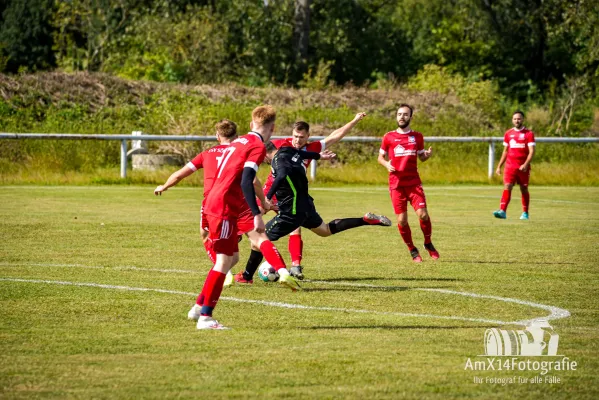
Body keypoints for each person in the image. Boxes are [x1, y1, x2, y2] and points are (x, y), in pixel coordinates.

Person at [186, 105, 299, 330]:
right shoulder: (256, 146)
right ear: (273, 128)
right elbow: (248, 179)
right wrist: (257, 213)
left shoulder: (239, 141)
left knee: (232, 258)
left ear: (250, 125)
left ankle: (199, 307)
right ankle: (206, 317)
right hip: (225, 204)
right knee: (224, 261)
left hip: (216, 200)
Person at [235, 141, 392, 282]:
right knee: (325, 230)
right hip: (305, 205)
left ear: (264, 154)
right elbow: (301, 153)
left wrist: (268, 197)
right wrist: (318, 156)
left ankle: (251, 276)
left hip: (292, 210)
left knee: (259, 240)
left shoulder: (278, 160)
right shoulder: (287, 151)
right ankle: (364, 220)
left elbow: (282, 174)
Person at [378, 104, 439, 263]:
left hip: (413, 183)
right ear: (396, 116)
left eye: (405, 114)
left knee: (423, 215)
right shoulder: (388, 137)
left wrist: (427, 155)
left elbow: (421, 157)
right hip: (396, 185)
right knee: (402, 221)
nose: (402, 117)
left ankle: (428, 243)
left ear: (411, 117)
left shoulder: (417, 136)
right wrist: (386, 165)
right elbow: (380, 158)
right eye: (399, 114)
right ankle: (412, 249)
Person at [493, 111, 536, 220]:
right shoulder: (508, 133)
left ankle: (525, 213)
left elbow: (531, 151)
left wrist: (526, 164)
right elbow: (505, 151)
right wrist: (499, 166)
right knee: (507, 186)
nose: (517, 121)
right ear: (512, 120)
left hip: (523, 168)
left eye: (519, 118)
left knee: (524, 188)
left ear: (523, 120)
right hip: (510, 166)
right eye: (515, 119)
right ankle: (502, 211)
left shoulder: (529, 134)